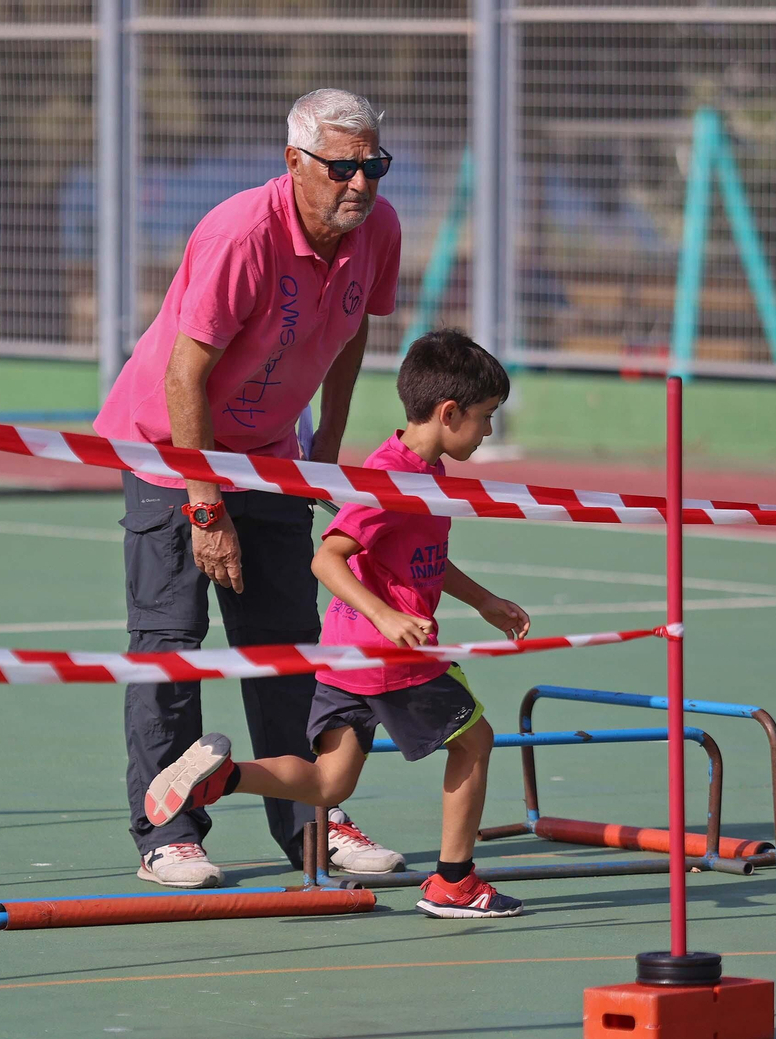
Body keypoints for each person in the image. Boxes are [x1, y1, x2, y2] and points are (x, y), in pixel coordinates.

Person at [93, 89, 405, 888]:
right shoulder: (240, 233)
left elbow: (354, 320)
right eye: (342, 168)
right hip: (171, 446)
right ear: (295, 161)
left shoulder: (378, 229)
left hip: (270, 451)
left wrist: (327, 442)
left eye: (373, 165)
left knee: (286, 642)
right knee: (170, 642)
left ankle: (309, 820)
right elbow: (184, 371)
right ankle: (167, 831)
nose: (360, 184)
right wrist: (204, 503)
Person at [143, 330, 531, 918]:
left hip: (346, 655)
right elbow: (328, 556)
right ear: (448, 412)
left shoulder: (425, 475)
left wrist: (484, 601)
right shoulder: (389, 478)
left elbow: (419, 558)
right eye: (484, 417)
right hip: (387, 656)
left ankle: (221, 780)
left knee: (330, 784)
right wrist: (386, 615)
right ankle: (454, 883)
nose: (488, 431)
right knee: (475, 741)